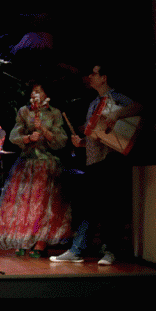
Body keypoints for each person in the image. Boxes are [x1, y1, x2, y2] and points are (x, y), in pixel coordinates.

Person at [51, 64, 142, 265]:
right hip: (93, 160)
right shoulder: (94, 103)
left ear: (104, 78)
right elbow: (96, 134)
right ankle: (77, 249)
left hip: (110, 160)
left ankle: (110, 250)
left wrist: (116, 114)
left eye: (94, 73)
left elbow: (138, 107)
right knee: (88, 206)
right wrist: (82, 143)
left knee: (110, 207)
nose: (90, 77)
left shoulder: (116, 97)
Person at [0, 82, 70, 258]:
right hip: (27, 163)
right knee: (23, 204)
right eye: (33, 91)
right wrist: (27, 138)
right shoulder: (24, 111)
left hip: (46, 163)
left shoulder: (55, 113)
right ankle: (24, 240)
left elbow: (61, 141)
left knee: (43, 205)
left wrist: (43, 130)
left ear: (46, 94)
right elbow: (14, 136)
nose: (35, 93)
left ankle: (40, 242)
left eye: (39, 90)